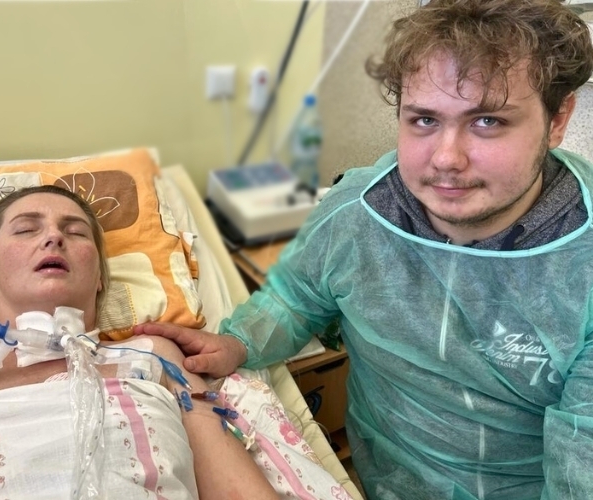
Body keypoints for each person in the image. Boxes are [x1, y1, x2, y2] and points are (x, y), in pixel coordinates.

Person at [134, 1, 593, 498]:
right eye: (424, 120)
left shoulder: (582, 268)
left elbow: (581, 462)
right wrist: (239, 343)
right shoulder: (355, 213)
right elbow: (297, 298)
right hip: (384, 477)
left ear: (557, 119)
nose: (446, 158)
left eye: (487, 121)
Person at [0, 185, 279, 500]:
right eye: (26, 229)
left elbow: (236, 487)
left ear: (99, 277)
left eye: (76, 232)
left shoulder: (151, 356)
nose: (54, 237)